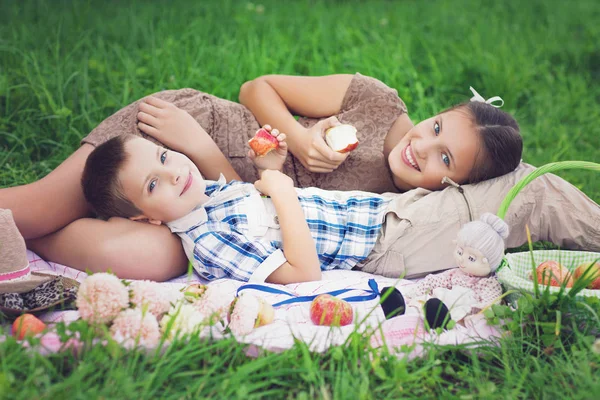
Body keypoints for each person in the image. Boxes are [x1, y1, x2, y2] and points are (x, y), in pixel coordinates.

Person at [1, 74, 599, 281]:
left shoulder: (406, 200)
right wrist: (299, 132)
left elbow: (242, 201)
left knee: (152, 258)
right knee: (36, 207)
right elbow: (255, 90)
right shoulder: (376, 102)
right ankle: (21, 227)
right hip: (174, 141)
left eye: (447, 161)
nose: (424, 148)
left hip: (192, 199)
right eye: (436, 127)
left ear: (454, 186)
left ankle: (20, 248)